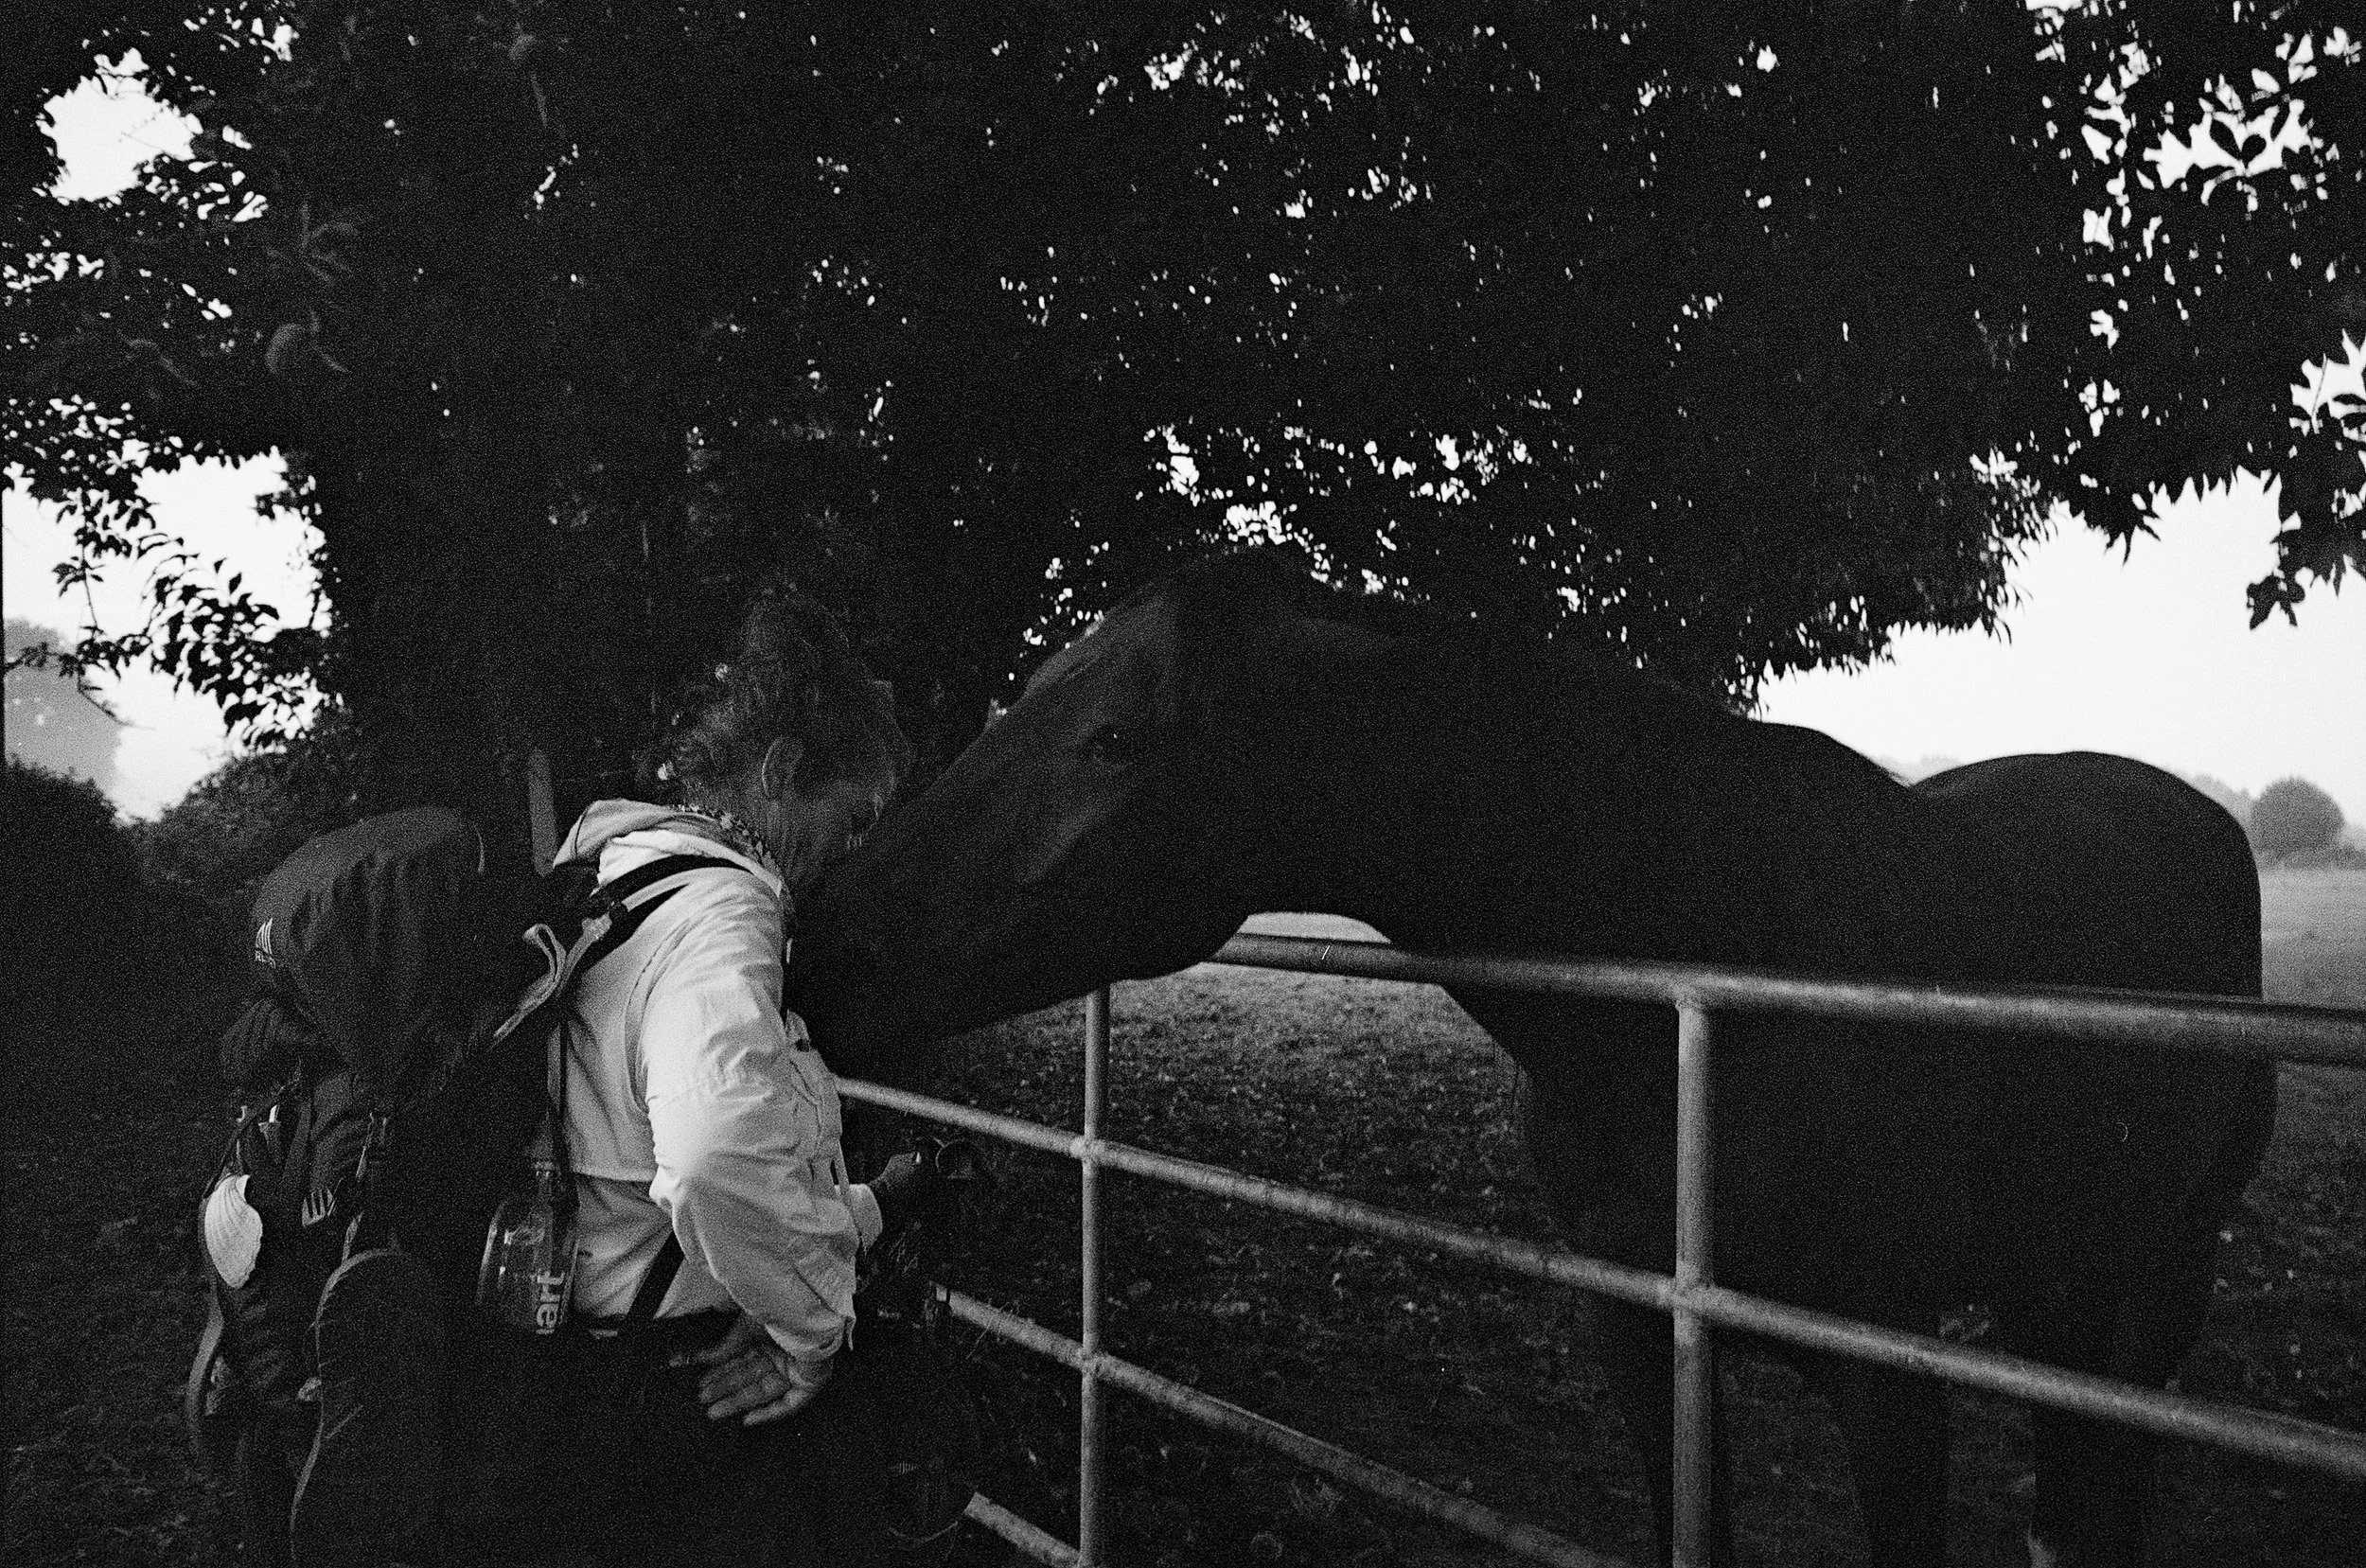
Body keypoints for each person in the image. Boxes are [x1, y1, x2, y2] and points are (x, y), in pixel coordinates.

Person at [531, 588, 923, 1566]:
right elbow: (714, 1156)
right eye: (852, 815)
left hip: (578, 1368)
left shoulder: (619, 875)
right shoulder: (721, 914)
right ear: (782, 771)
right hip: (678, 1400)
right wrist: (809, 1333)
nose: (852, 846)